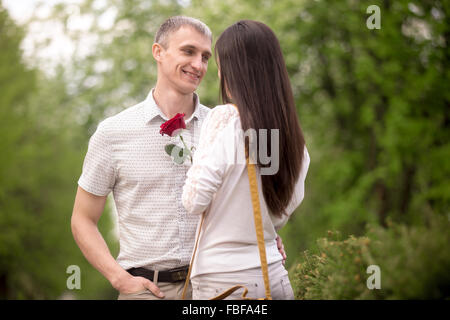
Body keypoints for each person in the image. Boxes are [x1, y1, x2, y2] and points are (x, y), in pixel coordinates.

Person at [71, 16, 286, 300]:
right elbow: (82, 219)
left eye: (206, 57)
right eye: (188, 51)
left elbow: (246, 200)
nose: (199, 65)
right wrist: (119, 278)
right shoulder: (113, 133)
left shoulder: (228, 125)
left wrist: (266, 235)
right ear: (158, 52)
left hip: (217, 287)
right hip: (147, 289)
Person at [182, 20, 310, 300]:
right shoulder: (294, 141)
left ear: (234, 71)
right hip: (273, 275)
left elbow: (193, 200)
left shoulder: (224, 120)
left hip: (224, 283)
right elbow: (279, 214)